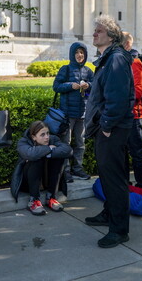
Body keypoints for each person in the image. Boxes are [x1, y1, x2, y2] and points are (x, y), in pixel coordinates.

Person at [83, 14, 135, 248]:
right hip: (107, 128)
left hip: (112, 130)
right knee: (109, 176)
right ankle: (108, 214)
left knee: (114, 179)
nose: (94, 34)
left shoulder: (115, 59)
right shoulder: (107, 58)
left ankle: (119, 229)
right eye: (95, 30)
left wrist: (105, 126)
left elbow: (118, 99)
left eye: (99, 31)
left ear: (112, 36)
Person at [11, 121, 73, 215]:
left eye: (47, 133)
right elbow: (30, 154)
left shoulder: (53, 139)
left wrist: (48, 154)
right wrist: (49, 149)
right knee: (36, 158)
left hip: (46, 179)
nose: (47, 137)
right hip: (28, 183)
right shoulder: (23, 142)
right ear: (33, 137)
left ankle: (51, 197)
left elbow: (68, 150)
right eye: (42, 135)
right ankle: (34, 200)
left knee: (58, 158)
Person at [53, 42, 93, 183]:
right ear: (72, 54)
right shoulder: (66, 69)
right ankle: (66, 170)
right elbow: (56, 86)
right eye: (77, 52)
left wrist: (88, 85)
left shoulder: (88, 71)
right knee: (66, 143)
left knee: (81, 143)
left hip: (82, 113)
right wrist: (71, 85)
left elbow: (95, 87)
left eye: (82, 52)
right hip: (67, 113)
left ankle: (78, 168)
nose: (79, 55)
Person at [121, 31, 142, 189]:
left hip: (134, 115)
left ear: (126, 44)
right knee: (123, 151)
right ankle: (125, 183)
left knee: (136, 152)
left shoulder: (135, 62)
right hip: (124, 114)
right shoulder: (123, 61)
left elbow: (138, 91)